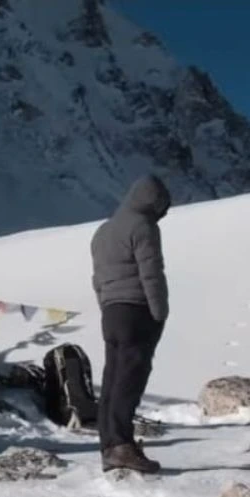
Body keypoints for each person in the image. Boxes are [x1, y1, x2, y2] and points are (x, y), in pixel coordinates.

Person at [91, 174, 171, 474]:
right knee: (131, 377)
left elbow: (97, 279)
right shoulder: (143, 226)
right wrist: (159, 312)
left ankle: (110, 446)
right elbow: (151, 272)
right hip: (137, 309)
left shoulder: (102, 231)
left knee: (112, 379)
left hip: (112, 312)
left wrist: (106, 308)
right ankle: (123, 446)